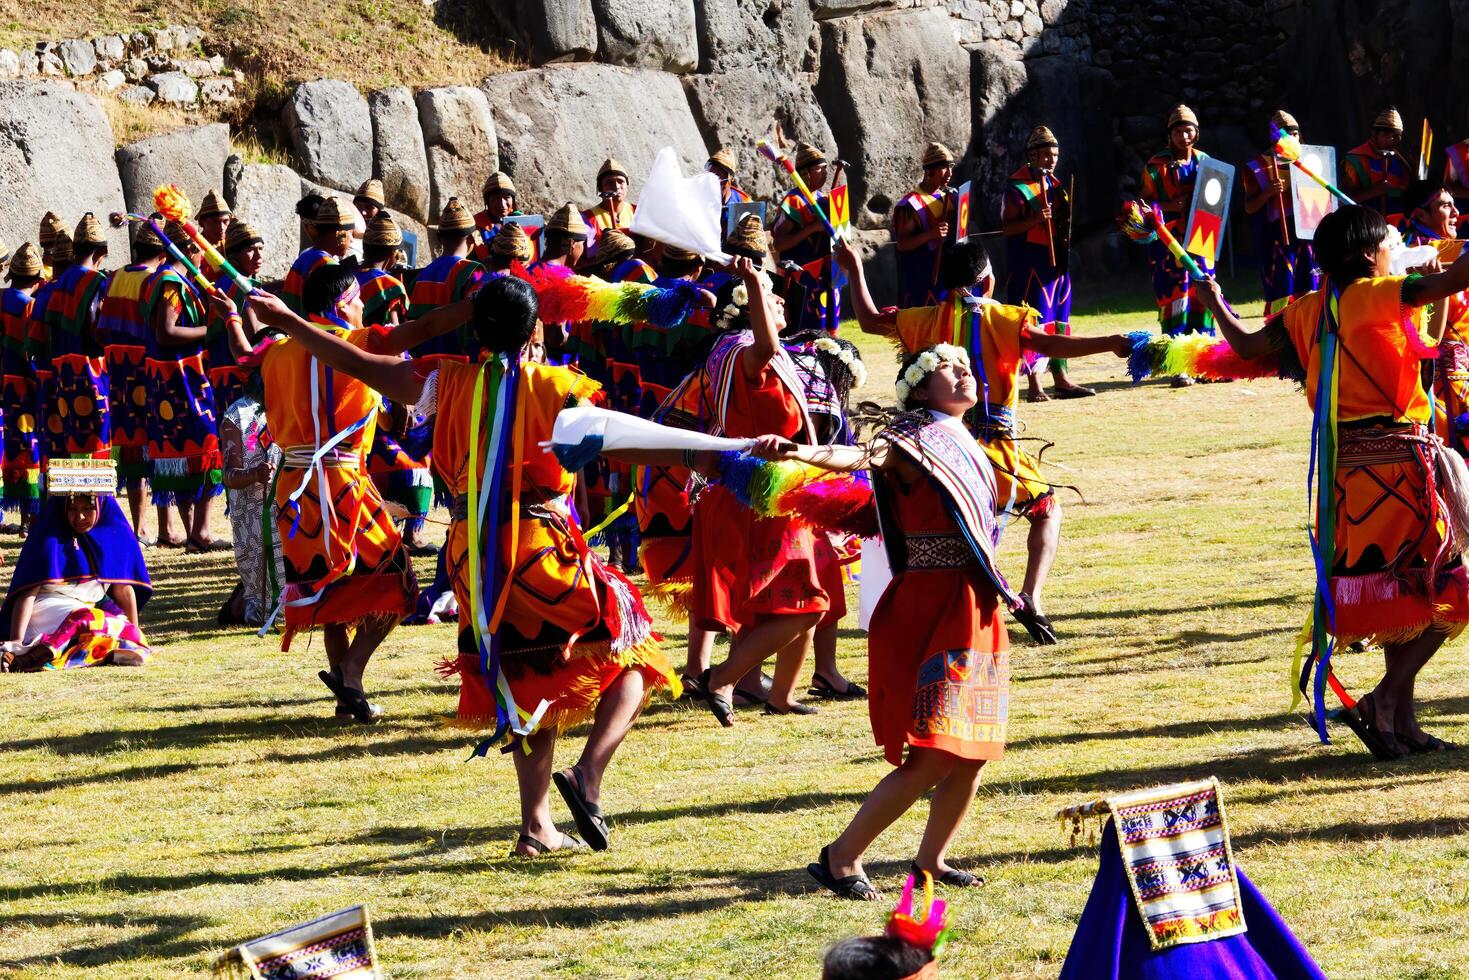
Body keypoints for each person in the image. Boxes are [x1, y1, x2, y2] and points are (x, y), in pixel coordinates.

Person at [245, 274, 678, 856]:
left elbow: (352, 358)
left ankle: (535, 827)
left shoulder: (440, 383)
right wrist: (729, 452)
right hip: (542, 551)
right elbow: (634, 443)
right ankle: (588, 776)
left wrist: (289, 324)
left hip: (474, 558)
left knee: (527, 678)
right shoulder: (558, 388)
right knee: (636, 653)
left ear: (477, 330)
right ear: (533, 335)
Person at [1199, 204, 1469, 759]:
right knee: (1449, 590)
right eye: (1387, 244)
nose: (1394, 250)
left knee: (1406, 595)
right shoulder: (1377, 292)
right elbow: (1456, 278)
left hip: (1350, 477)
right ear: (1370, 256)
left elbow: (1247, 346)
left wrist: (1213, 303)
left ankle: (1402, 720)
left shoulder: (1306, 309)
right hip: (1397, 467)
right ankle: (1382, 698)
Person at [774, 345, 1020, 900]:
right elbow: (859, 458)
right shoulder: (909, 443)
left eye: (965, 367)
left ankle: (931, 860)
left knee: (973, 749)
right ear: (918, 389)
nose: (964, 373)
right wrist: (801, 453)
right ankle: (839, 857)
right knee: (934, 751)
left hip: (973, 603)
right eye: (947, 371)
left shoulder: (968, 441)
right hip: (928, 608)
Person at [836, 236, 1133, 642]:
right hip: (991, 451)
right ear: (986, 280)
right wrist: (1110, 343)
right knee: (1046, 508)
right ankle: (1030, 597)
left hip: (930, 449)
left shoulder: (921, 319)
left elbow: (869, 320)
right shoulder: (1006, 318)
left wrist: (854, 269)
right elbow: (1051, 343)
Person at [231, 264, 418, 721]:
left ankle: (345, 697)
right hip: (341, 483)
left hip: (294, 487)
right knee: (402, 585)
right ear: (340, 305)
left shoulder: (276, 353)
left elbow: (263, 395)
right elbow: (402, 406)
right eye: (356, 300)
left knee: (328, 594)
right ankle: (351, 671)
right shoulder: (356, 345)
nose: (361, 308)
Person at [693, 256, 830, 723]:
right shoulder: (746, 350)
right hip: (763, 489)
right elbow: (767, 350)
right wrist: (753, 279)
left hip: (784, 486)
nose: (778, 299)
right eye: (770, 298)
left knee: (793, 597)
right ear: (749, 310)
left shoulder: (739, 351)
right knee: (805, 604)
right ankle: (721, 677)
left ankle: (780, 694)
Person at [0, 469, 151, 673]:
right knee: (89, 619)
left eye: (88, 508)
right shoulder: (47, 539)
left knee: (121, 629)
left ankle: (80, 652)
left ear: (101, 506)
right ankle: (31, 655)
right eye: (72, 509)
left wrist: (135, 633)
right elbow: (27, 593)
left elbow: (123, 591)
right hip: (45, 610)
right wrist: (16, 641)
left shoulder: (116, 538)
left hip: (87, 609)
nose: (79, 516)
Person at [141, 222, 225, 551]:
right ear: (189, 250)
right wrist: (211, 330)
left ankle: (193, 532)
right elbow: (166, 331)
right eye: (198, 247)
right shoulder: (170, 282)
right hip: (181, 378)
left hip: (173, 378)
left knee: (189, 452)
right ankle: (199, 531)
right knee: (205, 448)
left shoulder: (164, 279)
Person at [357, 212, 431, 553]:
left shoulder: (352, 279)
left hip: (357, 371)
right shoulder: (389, 286)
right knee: (413, 458)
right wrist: (404, 392)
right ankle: (412, 533)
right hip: (386, 376)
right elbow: (395, 337)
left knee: (369, 453)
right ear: (392, 253)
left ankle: (372, 525)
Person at [1002, 126, 1091, 401]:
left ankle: (1061, 378)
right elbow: (1007, 228)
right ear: (1032, 155)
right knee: (1034, 321)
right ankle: (1035, 385)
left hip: (1057, 264)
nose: (1051, 160)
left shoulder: (1054, 184)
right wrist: (1035, 219)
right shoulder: (1015, 188)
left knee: (1060, 321)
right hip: (1030, 263)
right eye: (1046, 155)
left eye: (1055, 155)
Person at [98, 218, 169, 543]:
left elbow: (99, 327)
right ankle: (163, 526)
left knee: (130, 446)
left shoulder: (113, 278)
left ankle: (138, 525)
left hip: (116, 373)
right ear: (163, 254)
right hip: (147, 370)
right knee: (156, 443)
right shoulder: (156, 280)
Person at [1140, 105, 1216, 365]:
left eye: (1188, 130)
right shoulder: (1156, 166)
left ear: (1196, 133)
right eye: (1178, 131)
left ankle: (1205, 359)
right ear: (1170, 135)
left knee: (1203, 293)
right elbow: (1144, 203)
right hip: (1169, 242)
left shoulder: (1206, 162)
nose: (1184, 136)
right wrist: (1173, 206)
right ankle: (1178, 363)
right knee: (1176, 296)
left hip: (1201, 238)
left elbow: (1216, 200)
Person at [39, 212, 111, 463]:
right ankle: (95, 501)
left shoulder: (57, 284)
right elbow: (95, 329)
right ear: (100, 253)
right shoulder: (95, 281)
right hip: (90, 370)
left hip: (62, 372)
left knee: (74, 436)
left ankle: (76, 501)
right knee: (95, 437)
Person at [218, 374, 282, 627]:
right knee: (263, 612)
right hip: (254, 514)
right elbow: (228, 475)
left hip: (290, 509)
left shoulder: (295, 402)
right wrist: (254, 474)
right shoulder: (238, 415)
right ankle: (242, 602)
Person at [1242, 110, 1319, 315]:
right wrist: (1269, 192)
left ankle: (1308, 328)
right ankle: (1279, 333)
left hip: (1307, 234)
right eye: (1284, 133)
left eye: (1294, 133)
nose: (1290, 138)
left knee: (1310, 285)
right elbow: (1249, 207)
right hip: (1276, 236)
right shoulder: (1257, 167)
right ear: (1273, 137)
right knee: (1283, 286)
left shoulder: (1311, 162)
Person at [405, 197, 486, 358]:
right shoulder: (472, 271)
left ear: (441, 238)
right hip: (459, 367)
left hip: (423, 366)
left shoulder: (421, 275)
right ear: (471, 239)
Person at [0, 243, 44, 531]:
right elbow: (31, 352)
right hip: (22, 387)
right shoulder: (28, 306)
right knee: (29, 447)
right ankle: (29, 518)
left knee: (5, 448)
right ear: (39, 280)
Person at [771, 142, 838, 333]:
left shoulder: (824, 200)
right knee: (801, 329)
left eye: (826, 168)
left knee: (824, 332)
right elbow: (780, 243)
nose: (825, 173)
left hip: (824, 277)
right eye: (820, 169)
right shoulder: (794, 201)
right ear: (806, 173)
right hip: (801, 277)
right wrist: (812, 228)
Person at [894, 141, 956, 310]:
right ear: (929, 171)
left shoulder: (950, 198)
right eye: (944, 167)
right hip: (921, 279)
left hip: (948, 277)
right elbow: (902, 244)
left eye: (951, 166)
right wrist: (930, 235)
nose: (949, 173)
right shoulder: (911, 204)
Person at [280, 193, 353, 315]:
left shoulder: (306, 257)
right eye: (349, 233)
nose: (352, 239)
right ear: (340, 234)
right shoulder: (326, 265)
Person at [1343, 107, 1410, 224]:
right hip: (1366, 224)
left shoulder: (1402, 162)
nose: (1392, 139)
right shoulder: (1355, 159)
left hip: (1397, 227)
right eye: (1386, 134)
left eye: (1397, 135)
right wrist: (1373, 191)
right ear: (1374, 134)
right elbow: (1343, 200)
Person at [471, 171, 525, 264]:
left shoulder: (521, 221)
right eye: (496, 198)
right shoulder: (475, 225)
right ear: (487, 202)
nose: (502, 204)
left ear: (513, 199)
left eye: (507, 197)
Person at [583, 158, 635, 244]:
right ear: (600, 188)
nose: (616, 186)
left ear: (627, 186)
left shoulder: (637, 212)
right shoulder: (586, 219)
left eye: (620, 181)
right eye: (610, 182)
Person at [707, 148, 751, 234]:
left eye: (718, 177)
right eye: (710, 176)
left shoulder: (742, 205)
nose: (713, 182)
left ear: (730, 179)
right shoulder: (700, 196)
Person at [196, 190, 232, 276]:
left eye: (225, 221)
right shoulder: (194, 249)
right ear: (201, 222)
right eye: (215, 222)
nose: (221, 227)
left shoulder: (230, 244)